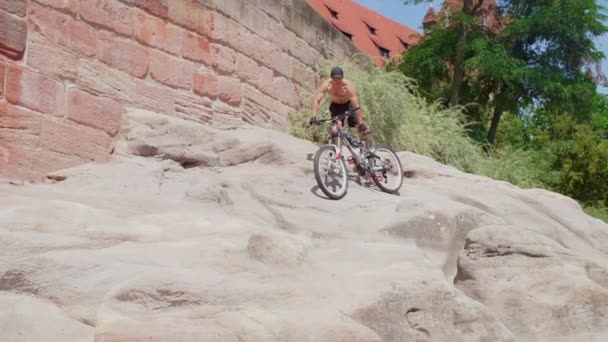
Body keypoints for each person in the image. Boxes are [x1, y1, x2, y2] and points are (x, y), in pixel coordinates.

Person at [309, 66, 370, 148]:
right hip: (336, 106)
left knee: (359, 127)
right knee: (336, 128)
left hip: (349, 105)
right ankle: (337, 153)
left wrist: (361, 122)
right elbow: (317, 101)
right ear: (331, 77)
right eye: (335, 78)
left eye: (339, 78)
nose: (337, 81)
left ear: (342, 77)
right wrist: (313, 116)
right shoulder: (326, 85)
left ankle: (367, 151)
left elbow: (356, 105)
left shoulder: (347, 85)